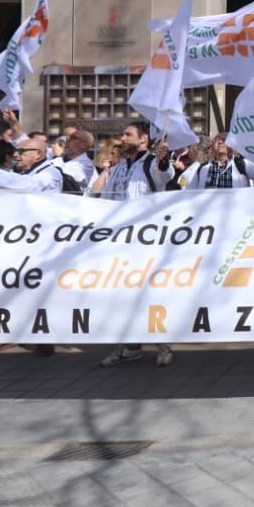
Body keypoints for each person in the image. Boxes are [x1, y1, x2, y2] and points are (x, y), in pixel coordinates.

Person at [98, 120, 177, 368]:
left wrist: (163, 159)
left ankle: (162, 342)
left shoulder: (150, 163)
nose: (122, 138)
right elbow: (108, 198)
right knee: (123, 293)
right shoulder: (120, 167)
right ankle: (130, 345)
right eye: (123, 134)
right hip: (120, 241)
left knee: (149, 292)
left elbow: (164, 174)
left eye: (128, 134)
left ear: (143, 139)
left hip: (145, 241)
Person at [183, 133, 254, 189]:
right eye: (217, 140)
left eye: (224, 140)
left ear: (232, 147)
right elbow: (191, 192)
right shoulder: (201, 167)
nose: (220, 142)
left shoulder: (241, 164)